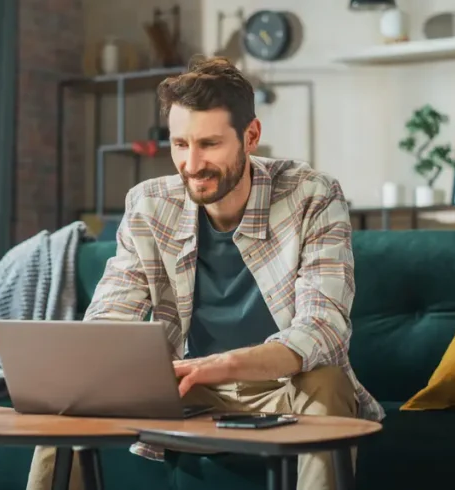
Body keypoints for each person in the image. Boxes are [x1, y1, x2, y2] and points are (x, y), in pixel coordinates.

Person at [26, 55, 384, 490]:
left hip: (285, 386)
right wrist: (94, 367)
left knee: (326, 383)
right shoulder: (149, 204)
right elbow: (109, 318)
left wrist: (222, 365)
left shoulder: (312, 194)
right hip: (189, 387)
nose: (191, 164)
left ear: (251, 136)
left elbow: (323, 329)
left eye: (209, 144)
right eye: (180, 144)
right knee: (73, 394)